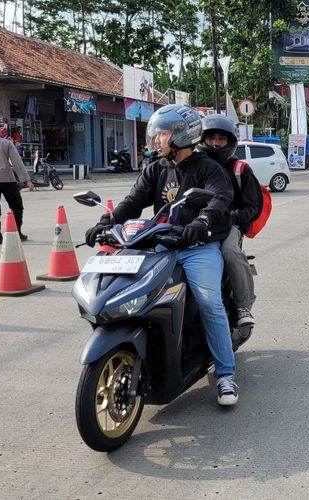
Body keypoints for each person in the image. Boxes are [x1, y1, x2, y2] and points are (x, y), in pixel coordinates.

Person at [83, 104, 240, 406]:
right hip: (159, 245)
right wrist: (106, 222)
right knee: (129, 292)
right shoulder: (155, 169)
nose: (155, 139)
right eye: (155, 133)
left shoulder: (208, 168)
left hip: (197, 248)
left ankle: (225, 374)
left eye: (162, 134)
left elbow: (221, 198)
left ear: (182, 136)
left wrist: (201, 223)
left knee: (209, 301)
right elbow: (132, 202)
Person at [198, 114, 263, 327]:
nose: (216, 143)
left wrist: (232, 217)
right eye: (211, 138)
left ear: (230, 142)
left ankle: (243, 305)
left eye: (222, 139)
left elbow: (253, 206)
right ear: (202, 140)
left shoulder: (240, 170)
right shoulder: (196, 166)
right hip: (196, 225)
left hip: (228, 226)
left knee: (230, 252)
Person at [0, 119, 34, 244]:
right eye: (0, 128)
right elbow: (17, 163)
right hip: (7, 179)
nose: (1, 130)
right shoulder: (6, 143)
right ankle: (17, 232)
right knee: (17, 206)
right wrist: (27, 180)